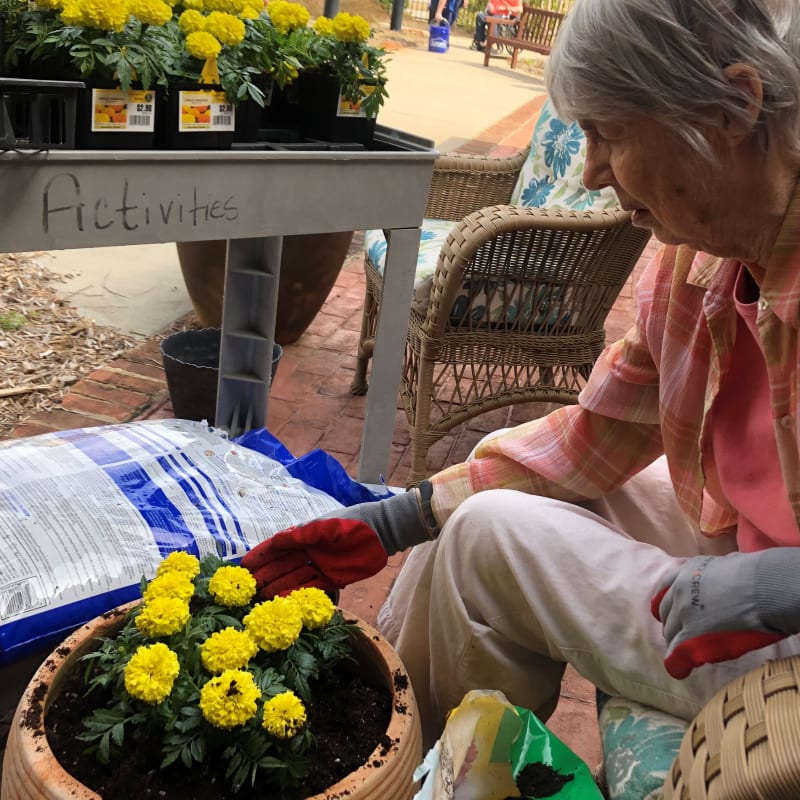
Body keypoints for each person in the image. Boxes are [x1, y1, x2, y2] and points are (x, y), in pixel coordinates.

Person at [242, 0, 800, 751]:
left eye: (611, 133)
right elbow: (596, 437)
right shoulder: (697, 261)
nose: (593, 171)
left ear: (734, 105)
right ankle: (420, 750)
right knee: (476, 500)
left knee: (487, 535)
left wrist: (783, 590)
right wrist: (396, 520)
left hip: (778, 634)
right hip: (748, 553)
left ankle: (404, 760)